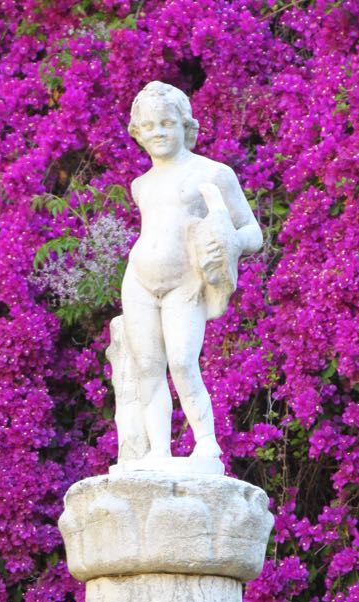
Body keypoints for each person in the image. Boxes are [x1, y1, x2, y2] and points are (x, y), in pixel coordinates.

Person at [111, 81, 262, 467]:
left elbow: (252, 233)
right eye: (148, 126)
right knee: (147, 366)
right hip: (139, 281)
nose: (158, 132)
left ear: (185, 125)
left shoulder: (212, 174)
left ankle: (207, 443)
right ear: (137, 133)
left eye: (167, 123)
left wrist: (227, 241)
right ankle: (158, 451)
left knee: (181, 360)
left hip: (186, 282)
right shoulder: (140, 185)